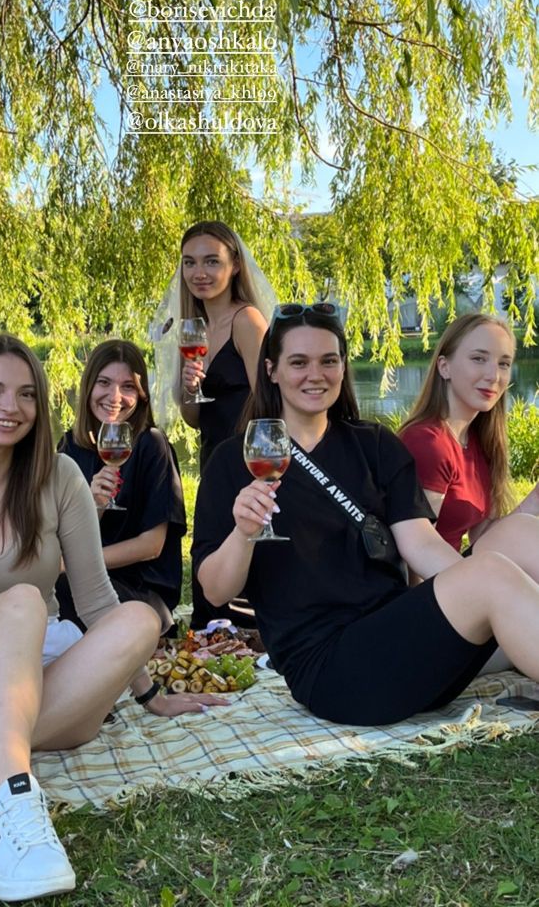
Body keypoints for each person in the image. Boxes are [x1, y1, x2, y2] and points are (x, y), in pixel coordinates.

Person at [0, 334, 222, 901]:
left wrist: (148, 693)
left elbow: (99, 600)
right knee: (24, 600)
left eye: (27, 394)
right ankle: (10, 807)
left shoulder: (58, 478)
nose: (11, 407)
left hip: (42, 678)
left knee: (137, 619)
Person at [192, 304, 539, 726]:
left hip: (399, 641)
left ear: (343, 367)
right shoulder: (233, 461)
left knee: (504, 554)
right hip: (330, 670)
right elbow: (213, 590)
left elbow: (421, 545)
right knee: (491, 576)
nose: (315, 374)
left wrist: (473, 585)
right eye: (298, 362)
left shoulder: (374, 444)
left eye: (329, 361)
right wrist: (243, 533)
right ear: (272, 370)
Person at [152, 220, 276, 627]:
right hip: (213, 461)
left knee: (243, 556)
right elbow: (193, 417)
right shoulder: (194, 328)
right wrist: (190, 386)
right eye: (189, 263)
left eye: (210, 261)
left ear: (235, 265)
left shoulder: (247, 321)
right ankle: (215, 643)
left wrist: (257, 465)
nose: (199, 273)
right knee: (211, 558)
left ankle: (252, 641)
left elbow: (272, 404)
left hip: (248, 464)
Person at [55, 340, 186, 635]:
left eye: (128, 386)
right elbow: (59, 539)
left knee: (62, 585)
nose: (115, 397)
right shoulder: (68, 448)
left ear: (140, 396)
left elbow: (151, 546)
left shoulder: (151, 444)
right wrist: (94, 508)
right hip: (86, 583)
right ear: (89, 387)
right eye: (104, 383)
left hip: (141, 592)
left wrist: (76, 565)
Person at [399, 313, 539, 551]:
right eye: (478, 358)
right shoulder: (428, 443)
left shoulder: (477, 441)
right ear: (445, 367)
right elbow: (415, 557)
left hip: (461, 573)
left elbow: (484, 540)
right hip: (433, 583)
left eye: (503, 363)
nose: (493, 376)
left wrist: (535, 499)